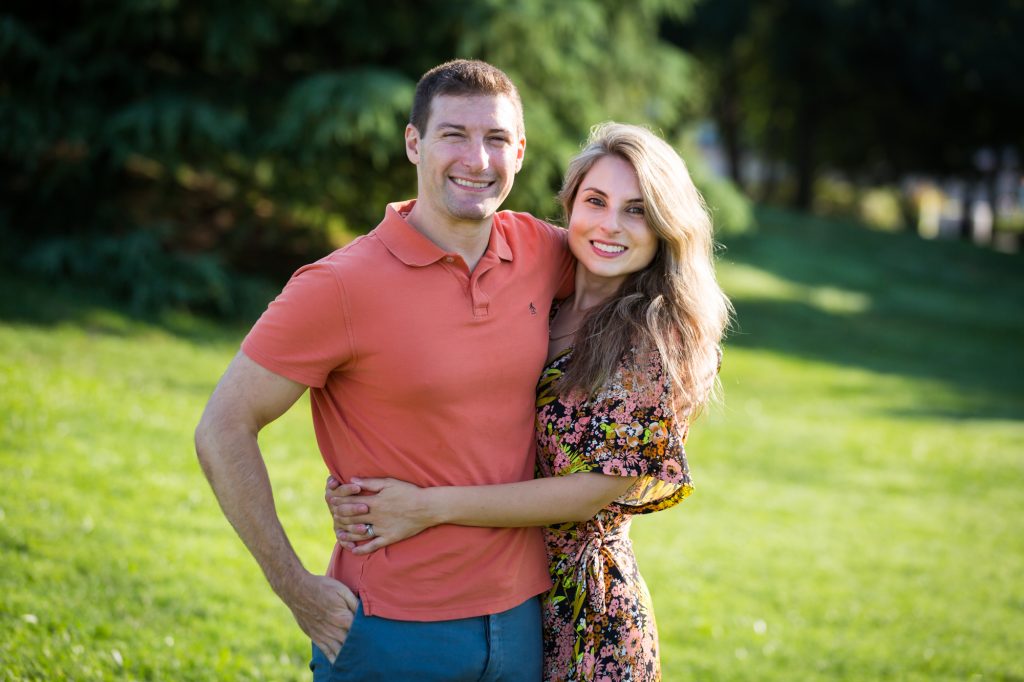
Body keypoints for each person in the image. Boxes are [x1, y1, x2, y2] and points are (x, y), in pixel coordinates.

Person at [194, 59, 575, 681]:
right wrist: (296, 588)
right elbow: (221, 427)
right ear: (413, 143)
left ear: (521, 151)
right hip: (391, 632)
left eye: (497, 138)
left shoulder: (540, 250)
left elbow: (638, 264)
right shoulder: (338, 286)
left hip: (524, 623)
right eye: (454, 134)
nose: (477, 159)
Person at [326, 122, 731, 681]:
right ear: (570, 205)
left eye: (637, 211)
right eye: (596, 201)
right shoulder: (542, 293)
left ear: (664, 227)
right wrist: (365, 470)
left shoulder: (652, 339)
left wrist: (427, 506)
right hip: (500, 598)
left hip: (585, 616)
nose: (610, 225)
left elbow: (590, 494)